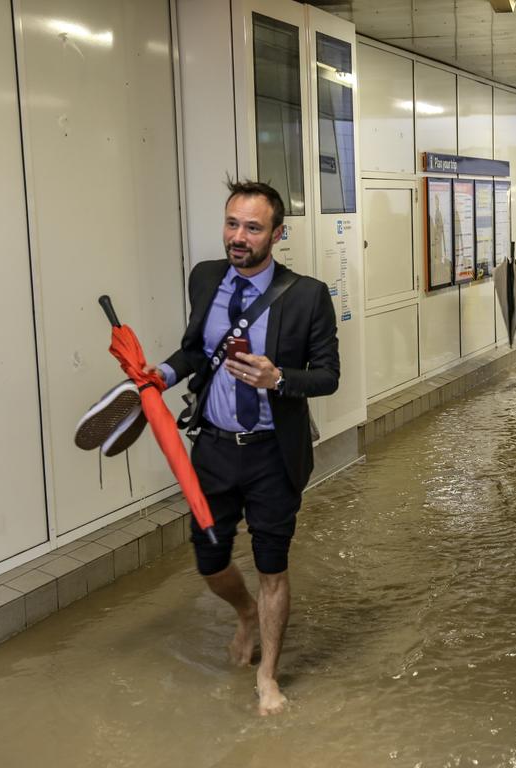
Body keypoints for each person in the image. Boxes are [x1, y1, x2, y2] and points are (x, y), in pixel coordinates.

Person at [153, 180, 340, 715]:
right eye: (232, 223)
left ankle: (268, 675)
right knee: (209, 558)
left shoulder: (307, 295)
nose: (238, 237)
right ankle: (244, 614)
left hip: (271, 454)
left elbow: (327, 376)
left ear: (277, 234)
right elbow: (195, 351)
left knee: (272, 565)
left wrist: (278, 377)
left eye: (253, 228)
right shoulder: (206, 278)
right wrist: (159, 375)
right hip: (211, 449)